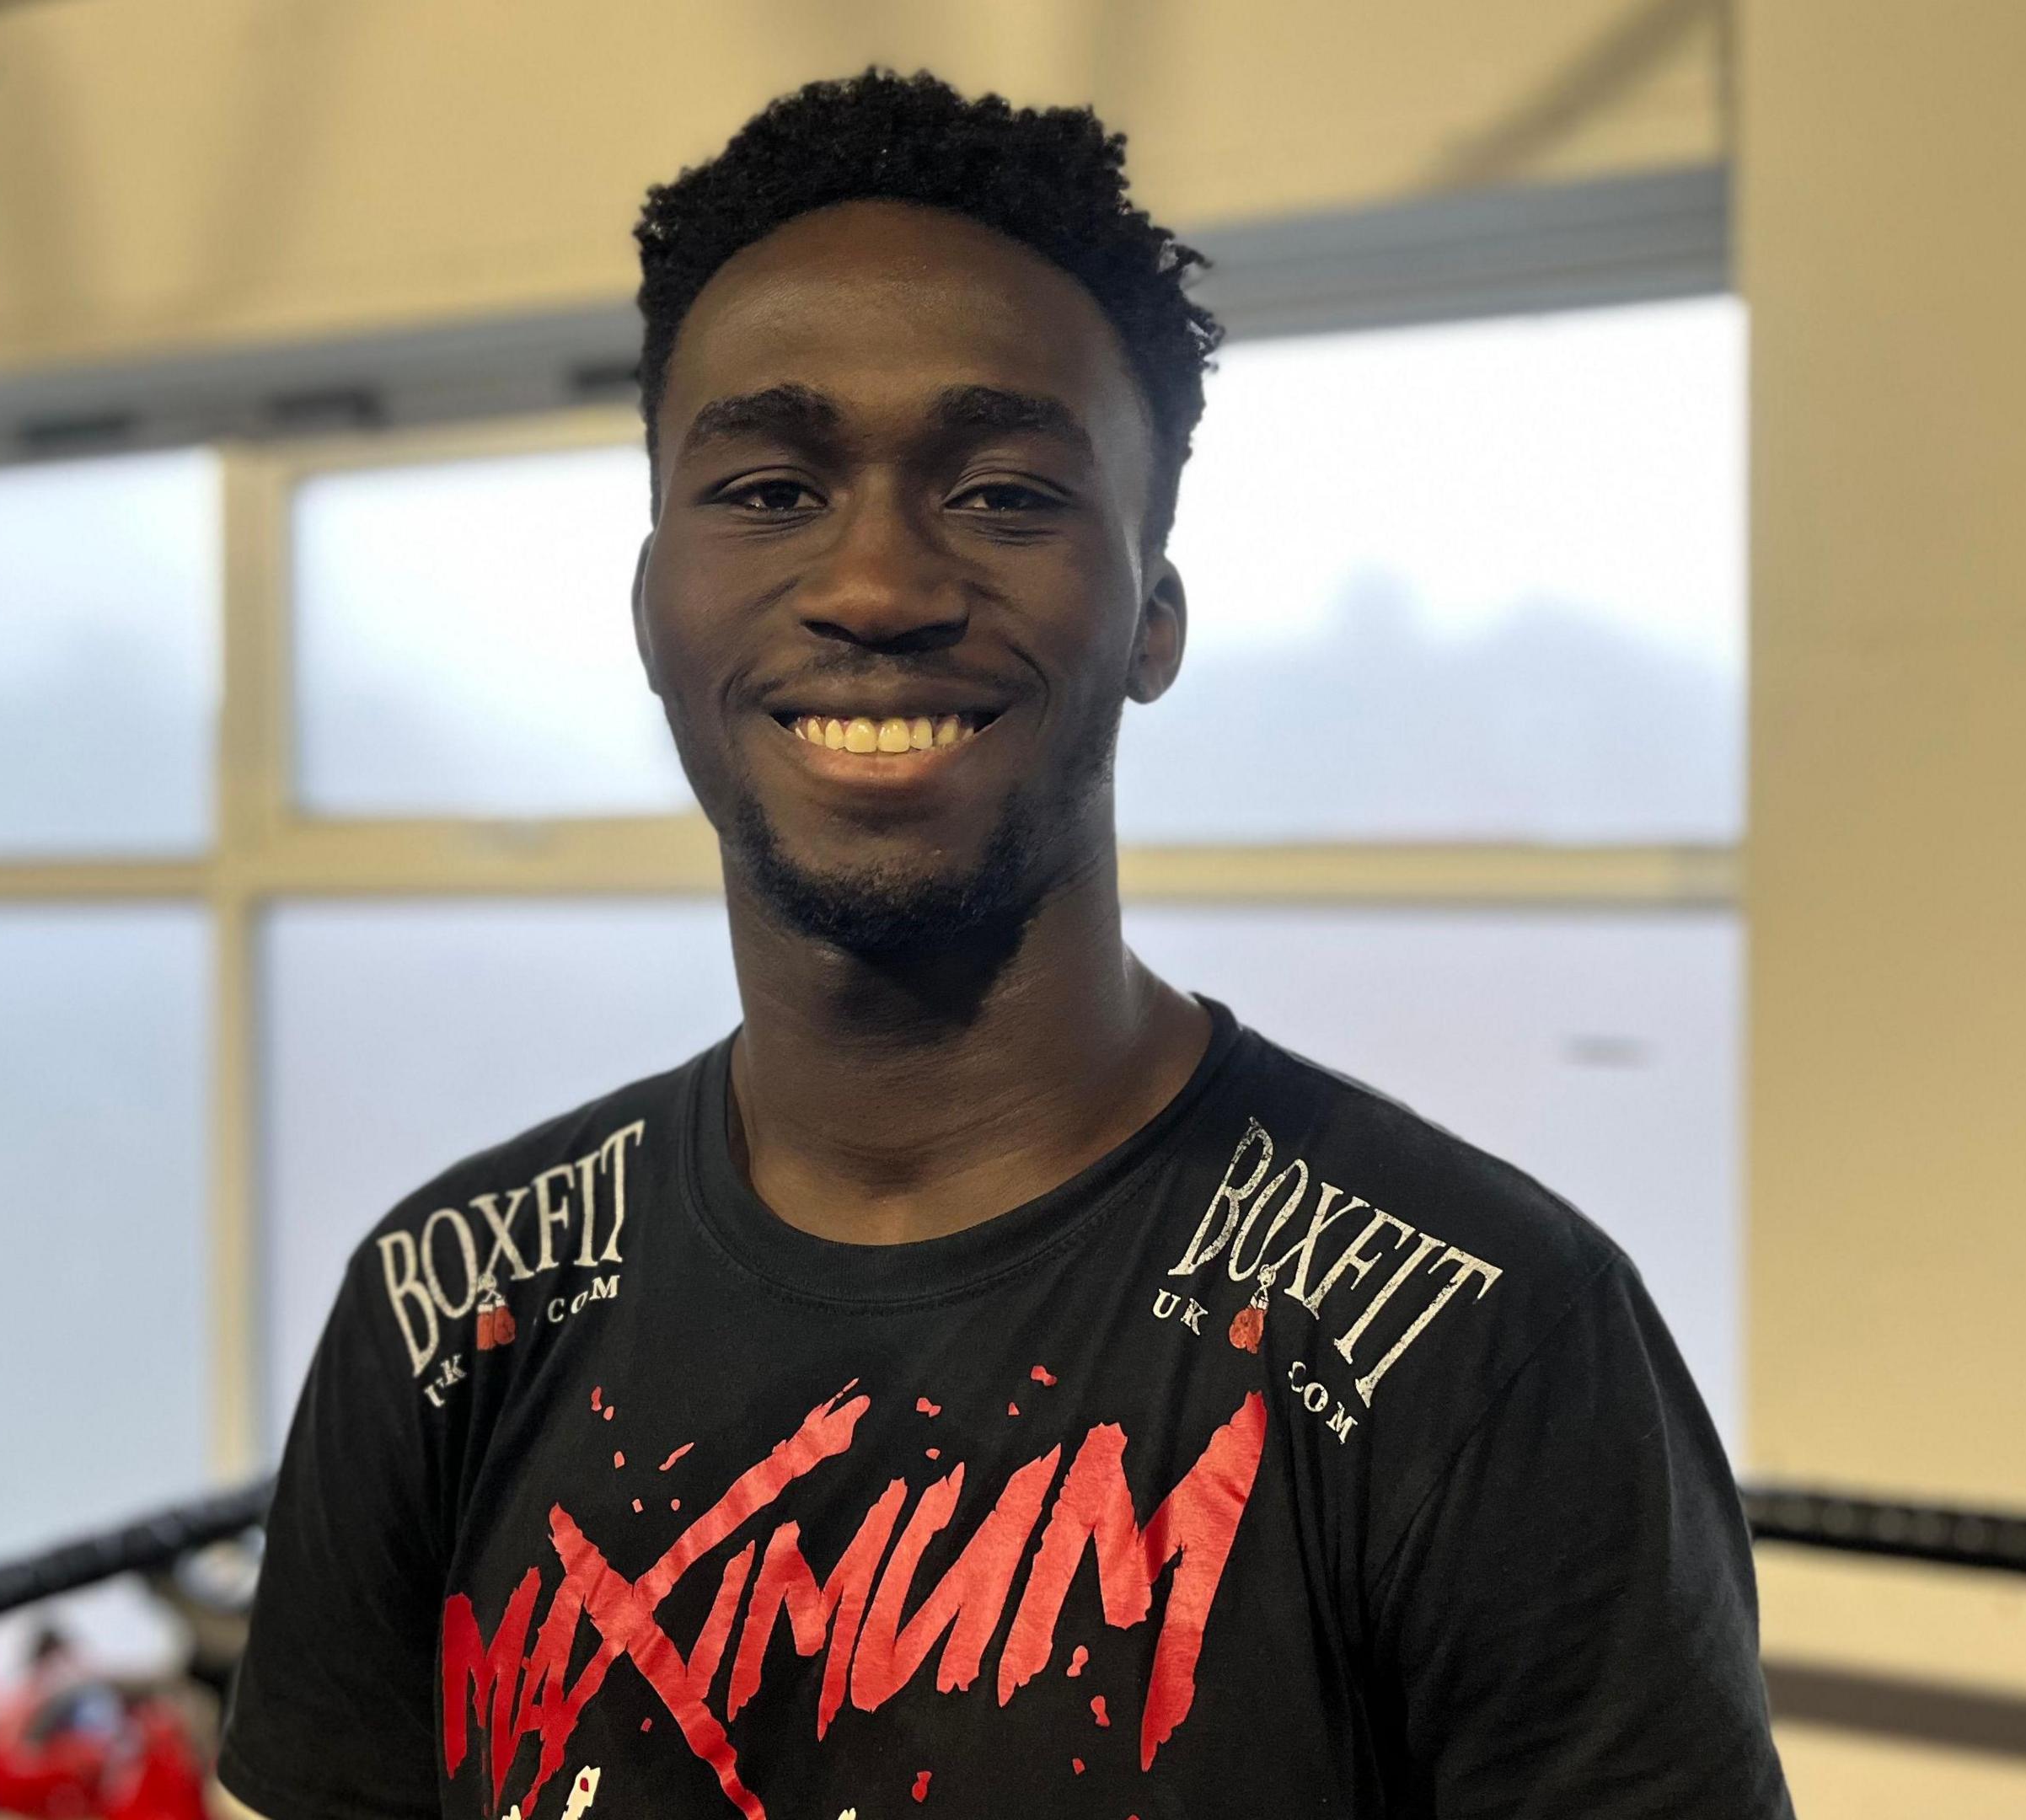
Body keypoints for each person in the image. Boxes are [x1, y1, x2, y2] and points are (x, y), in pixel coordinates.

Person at [219, 68, 1791, 1820]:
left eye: (1006, 496)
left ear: (1153, 617)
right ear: (650, 601)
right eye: (766, 489)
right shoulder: (454, 1309)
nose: (878, 585)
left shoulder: (1474, 1343)